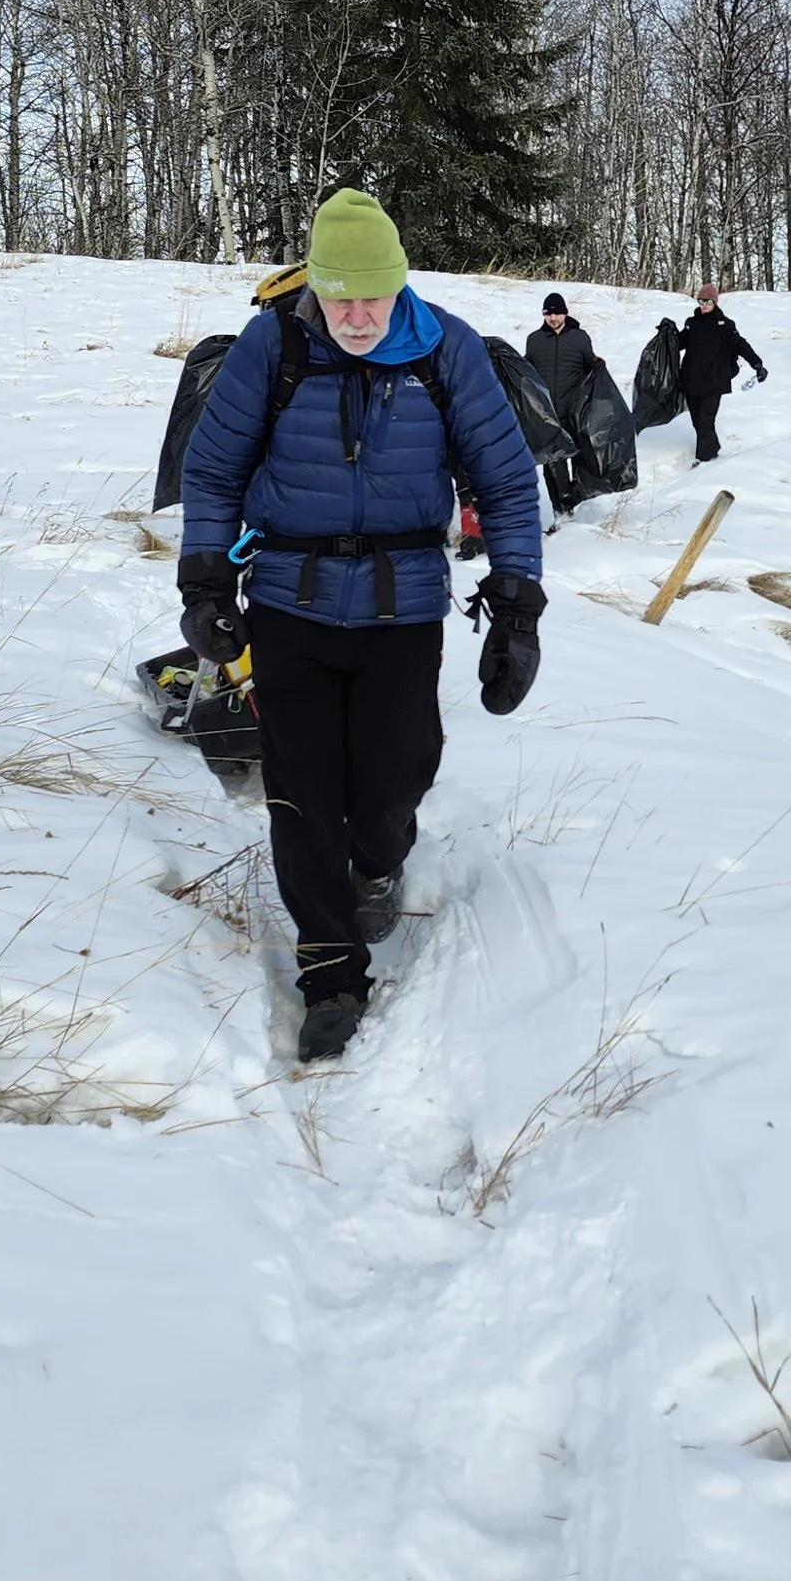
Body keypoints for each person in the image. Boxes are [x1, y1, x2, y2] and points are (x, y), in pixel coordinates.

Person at [178, 189, 545, 1063]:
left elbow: (505, 481)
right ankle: (330, 973)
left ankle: (379, 863)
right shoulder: (273, 346)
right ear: (315, 287)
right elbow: (213, 469)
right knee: (301, 794)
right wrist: (206, 584)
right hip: (289, 603)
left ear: (399, 284)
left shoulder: (446, 349)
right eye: (338, 297)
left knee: (393, 781)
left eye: (371, 297)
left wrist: (517, 606)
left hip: (403, 607)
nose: (354, 317)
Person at [674, 282, 766, 461]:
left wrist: (757, 364)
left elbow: (740, 345)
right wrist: (667, 334)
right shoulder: (691, 323)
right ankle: (712, 448)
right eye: (701, 301)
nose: (704, 305)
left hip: (714, 381)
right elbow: (678, 343)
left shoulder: (724, 325)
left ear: (715, 302)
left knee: (705, 421)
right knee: (697, 421)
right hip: (691, 380)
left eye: (708, 302)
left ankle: (704, 459)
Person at [525, 291, 597, 515]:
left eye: (557, 313)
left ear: (565, 313)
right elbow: (527, 372)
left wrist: (597, 365)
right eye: (548, 314)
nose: (553, 318)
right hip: (547, 415)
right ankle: (561, 513)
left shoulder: (580, 338)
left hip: (574, 412)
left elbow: (590, 368)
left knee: (580, 460)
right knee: (552, 466)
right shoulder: (534, 340)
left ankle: (575, 501)